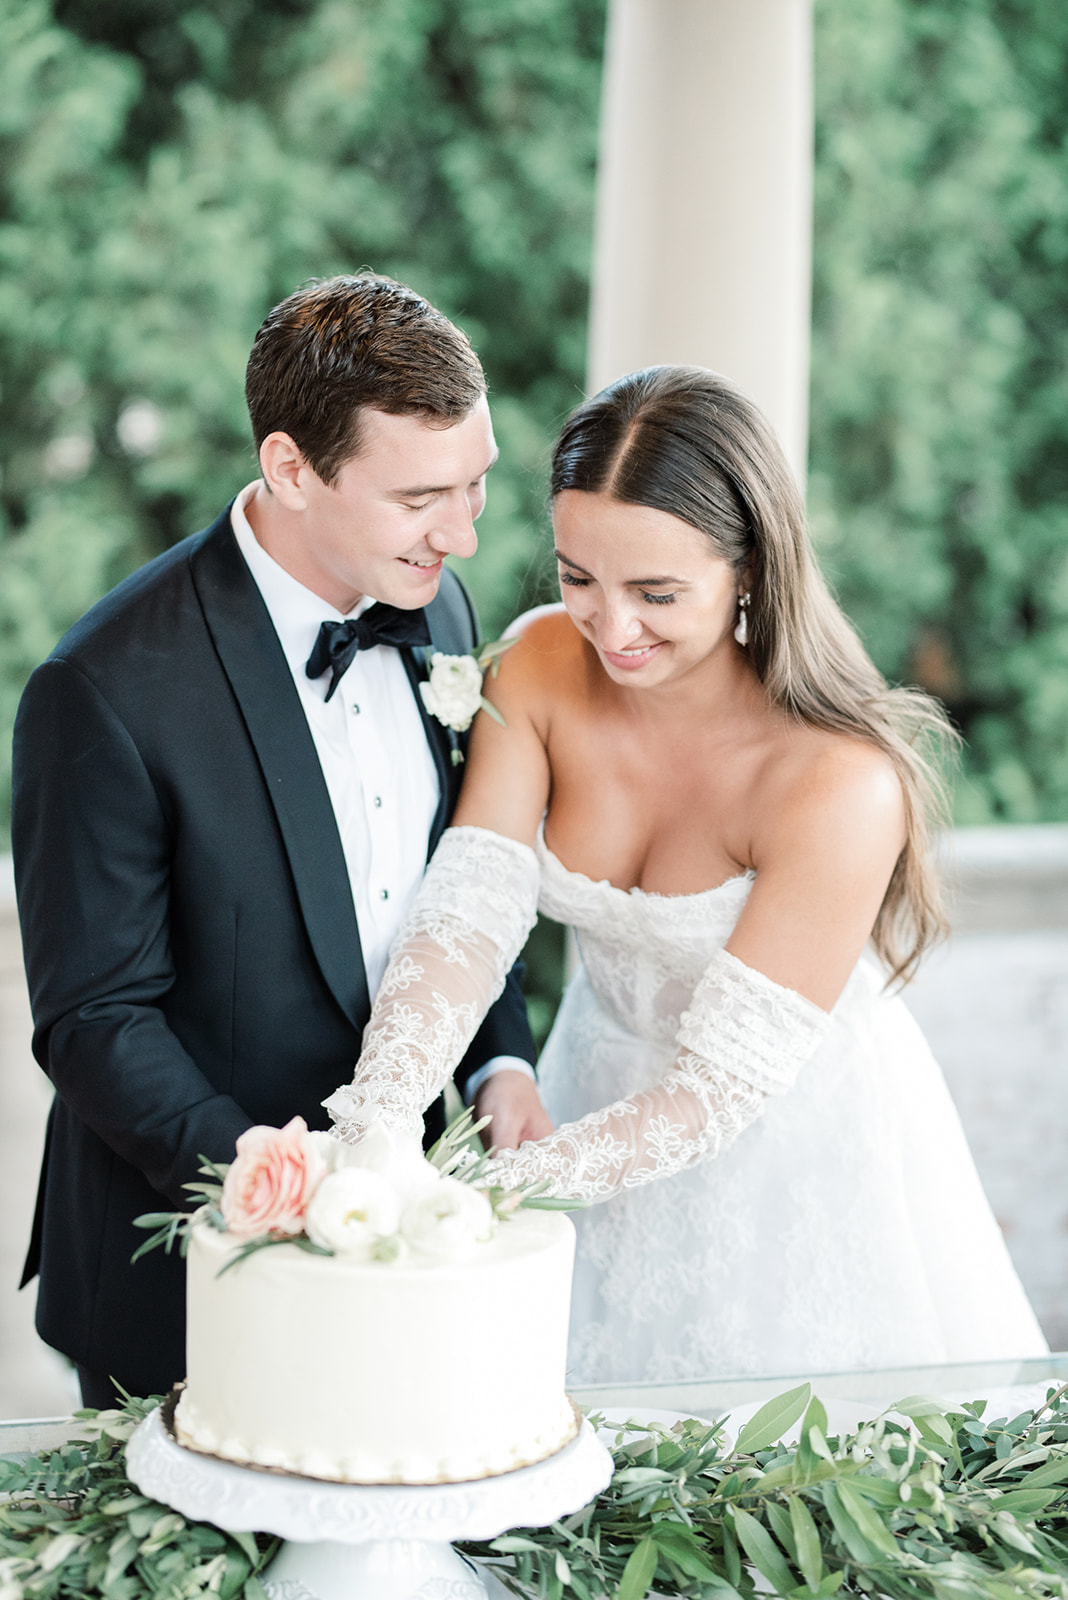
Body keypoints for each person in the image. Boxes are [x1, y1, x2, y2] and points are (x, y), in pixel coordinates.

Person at [326, 365, 1048, 1383]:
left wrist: (489, 1197)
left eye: (657, 593)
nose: (611, 629)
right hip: (591, 1082)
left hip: (783, 1142)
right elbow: (471, 911)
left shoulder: (840, 780)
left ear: (748, 567)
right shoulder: (537, 664)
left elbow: (713, 1094)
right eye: (579, 576)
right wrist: (384, 1117)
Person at [12, 273, 548, 1408]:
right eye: (419, 498)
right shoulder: (102, 688)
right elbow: (94, 1015)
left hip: (420, 1239)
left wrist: (500, 1055)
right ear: (291, 469)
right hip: (192, 1269)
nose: (460, 531)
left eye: (476, 485)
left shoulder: (436, 606)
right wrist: (270, 1176)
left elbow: (462, 876)